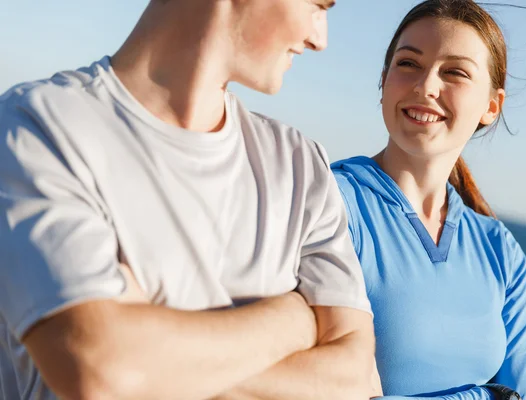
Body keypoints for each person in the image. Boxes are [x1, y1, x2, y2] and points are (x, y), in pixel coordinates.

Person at [0, 1, 380, 399]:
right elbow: (100, 370)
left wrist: (152, 360)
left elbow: (352, 379)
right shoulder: (39, 129)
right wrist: (292, 321)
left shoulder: (302, 164)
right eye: (317, 5)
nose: (320, 38)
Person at [332, 0, 526, 399]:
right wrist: (487, 396)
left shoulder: (499, 250)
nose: (425, 86)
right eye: (408, 64)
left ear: (491, 106)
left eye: (454, 72)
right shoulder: (329, 203)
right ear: (383, 79)